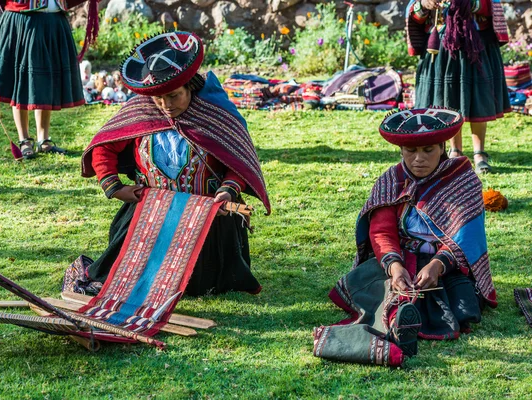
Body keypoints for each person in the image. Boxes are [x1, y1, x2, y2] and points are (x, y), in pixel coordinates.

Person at [67, 31, 270, 297]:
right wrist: (115, 188)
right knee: (131, 278)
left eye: (174, 96)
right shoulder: (139, 114)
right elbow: (102, 149)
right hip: (149, 215)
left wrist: (227, 191)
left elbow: (238, 159)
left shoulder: (216, 115)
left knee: (197, 286)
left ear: (189, 87)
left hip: (208, 219)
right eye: (158, 98)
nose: (166, 105)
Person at [313, 107, 497, 367]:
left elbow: (466, 235)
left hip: (446, 262)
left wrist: (438, 264)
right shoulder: (391, 181)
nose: (419, 158)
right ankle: (400, 319)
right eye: (411, 151)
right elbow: (381, 230)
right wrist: (395, 267)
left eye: (428, 150)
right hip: (400, 257)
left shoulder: (462, 180)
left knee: (460, 304)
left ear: (443, 148)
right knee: (384, 287)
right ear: (400, 151)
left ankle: (403, 318)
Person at [406, 0, 510, 173]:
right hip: (441, 45)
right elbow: (415, 14)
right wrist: (424, 4)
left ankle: (479, 154)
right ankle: (455, 152)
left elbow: (492, 5)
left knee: (478, 98)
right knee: (449, 98)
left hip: (475, 42)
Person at [0, 0, 99, 159]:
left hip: (53, 22)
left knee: (46, 80)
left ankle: (43, 140)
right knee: (21, 82)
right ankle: (24, 140)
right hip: (24, 20)